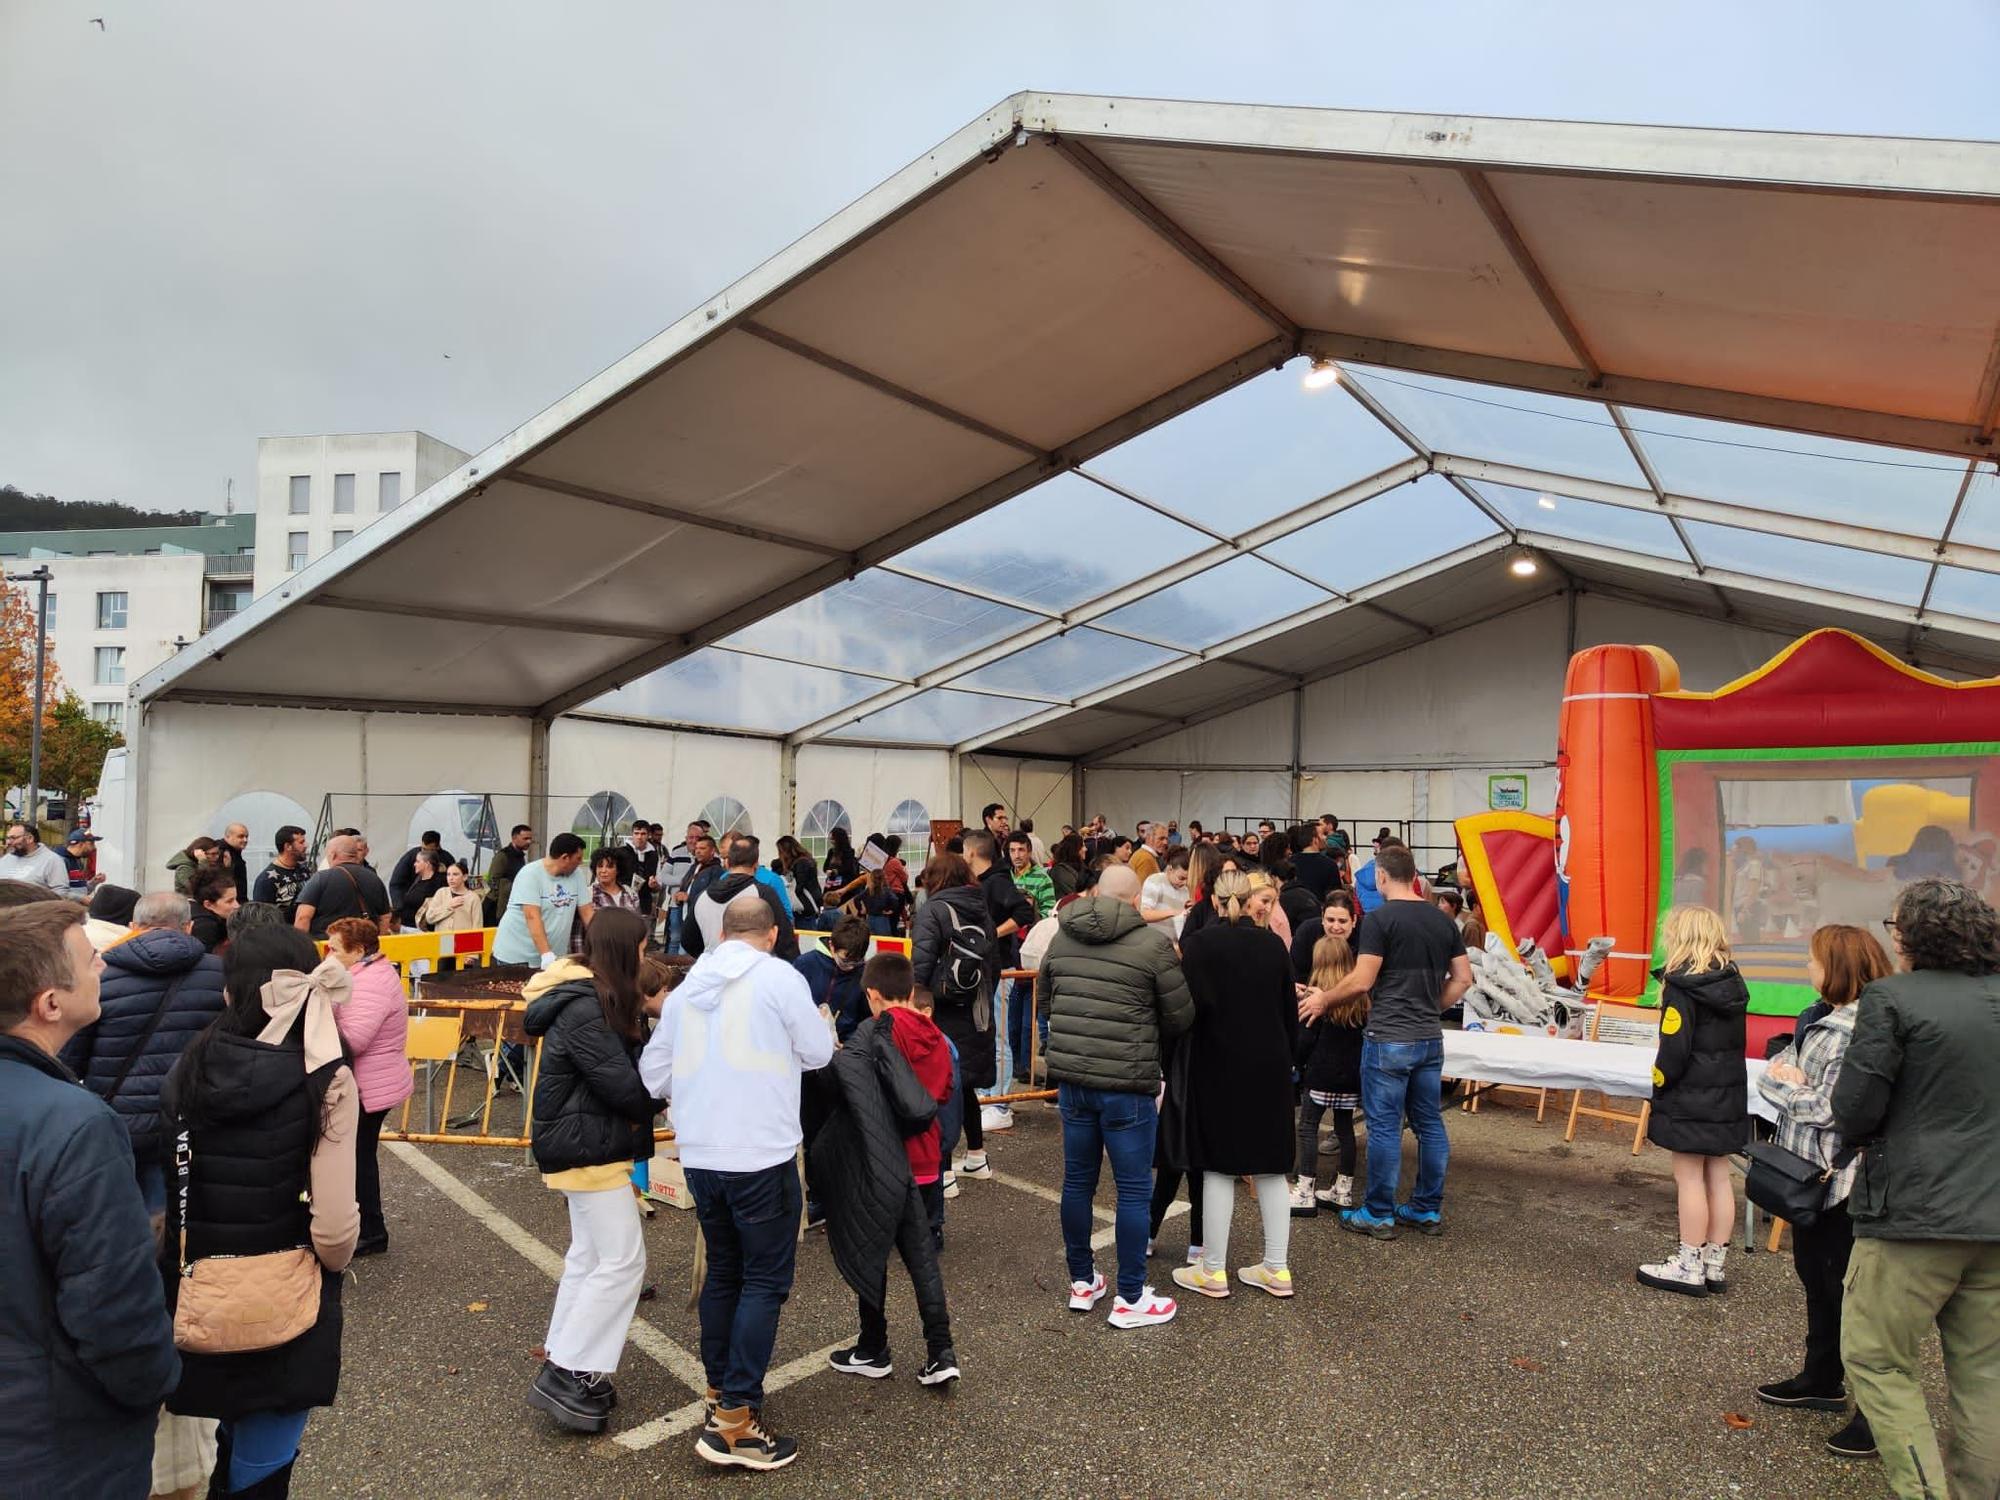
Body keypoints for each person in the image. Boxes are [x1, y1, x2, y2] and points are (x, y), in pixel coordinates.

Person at [161, 927, 360, 1496]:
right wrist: (333, 1263)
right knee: (267, 1457)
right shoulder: (326, 1076)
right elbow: (336, 1225)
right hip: (285, 1290)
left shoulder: (192, 1063)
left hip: (198, 1283)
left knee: (219, 1433)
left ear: (229, 992)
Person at [639, 893, 833, 1471]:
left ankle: (719, 1392)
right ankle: (736, 1423)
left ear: (723, 934)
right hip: (762, 1153)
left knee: (725, 1271)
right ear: (772, 934)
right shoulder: (779, 979)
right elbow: (819, 1052)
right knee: (765, 1281)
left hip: (700, 1153)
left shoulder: (688, 989)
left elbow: (653, 1075)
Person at [0, 900, 182, 1500]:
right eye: (90, 958)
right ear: (50, 1002)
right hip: (55, 1443)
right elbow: (113, 1308)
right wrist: (157, 1381)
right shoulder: (75, 1124)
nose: (105, 965)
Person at [1833, 879, 2000, 1500]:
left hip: (1912, 1216)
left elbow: (1854, 1109)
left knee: (1877, 1361)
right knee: (1985, 1372)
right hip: (1993, 1219)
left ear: (1909, 936)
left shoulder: (1892, 999)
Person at [1752, 924, 1893, 1460]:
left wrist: (1782, 1082)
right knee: (1818, 1279)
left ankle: (1874, 1415)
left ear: (1836, 967)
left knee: (1850, 1295)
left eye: (1812, 960)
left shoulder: (1851, 1033)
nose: (1806, 968)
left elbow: (1831, 1109)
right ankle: (1821, 1377)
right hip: (1817, 1177)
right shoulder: (1825, 1020)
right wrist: (1789, 1076)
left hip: (1838, 1182)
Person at [521, 908, 661, 1435]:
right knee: (624, 1261)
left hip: (584, 1146)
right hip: (587, 1148)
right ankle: (570, 1369)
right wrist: (667, 1090)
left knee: (590, 1256)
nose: (646, 957)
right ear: (626, 950)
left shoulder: (584, 995)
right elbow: (621, 1086)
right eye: (643, 948)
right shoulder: (586, 1006)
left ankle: (570, 1356)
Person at [1038, 863, 1193, 1329]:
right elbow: (1181, 1016)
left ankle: (1083, 1283)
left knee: (1077, 1182)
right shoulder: (1153, 945)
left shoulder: (1061, 938)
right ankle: (1130, 1297)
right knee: (1131, 1190)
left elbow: (1046, 1002)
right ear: (1133, 900)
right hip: (1128, 1083)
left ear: (1095, 894)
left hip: (1072, 1081)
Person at [1300, 844, 1470, 1239]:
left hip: (1389, 1037)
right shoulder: (1443, 920)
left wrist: (1324, 998)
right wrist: (1432, 1005)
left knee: (1384, 1127)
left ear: (1380, 876)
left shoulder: (1379, 920)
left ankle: (1378, 1212)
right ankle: (1426, 1209)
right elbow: (1462, 978)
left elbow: (1362, 980)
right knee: (1429, 1123)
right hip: (1429, 1038)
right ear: (1415, 877)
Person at [816, 951, 960, 1387]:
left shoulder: (873, 1032)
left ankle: (873, 1346)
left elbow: (843, 1087)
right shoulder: (934, 1033)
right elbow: (946, 1090)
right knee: (922, 1262)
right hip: (925, 1161)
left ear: (874, 994)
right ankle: (941, 1351)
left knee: (869, 1250)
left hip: (880, 1162)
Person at [1171, 869, 1299, 1301]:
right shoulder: (1273, 946)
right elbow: (1288, 1012)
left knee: (1217, 1165)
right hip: (1271, 1062)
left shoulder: (1198, 946)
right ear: (1248, 902)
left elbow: (1184, 1012)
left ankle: (1212, 1270)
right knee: (1270, 1164)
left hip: (1217, 1061)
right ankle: (1277, 1268)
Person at [59, 889, 227, 1211]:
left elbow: (72, 1058)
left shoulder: (101, 975)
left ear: (133, 926)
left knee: (119, 1207)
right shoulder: (219, 975)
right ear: (189, 927)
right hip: (191, 1112)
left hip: (117, 1115)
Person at [1634, 906, 1749, 1296]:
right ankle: (1714, 1263)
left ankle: (1688, 1263)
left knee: (1688, 1178)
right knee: (1718, 1175)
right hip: (1727, 1095)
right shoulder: (1733, 981)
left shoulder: (1683, 986)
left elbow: (1674, 1050)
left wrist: (1660, 1082)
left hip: (1691, 1097)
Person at [325, 918, 413, 1260]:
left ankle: (372, 1232)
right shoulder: (361, 974)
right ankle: (366, 1228)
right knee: (357, 1157)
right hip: (369, 1081)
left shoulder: (369, 982)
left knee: (358, 1159)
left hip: (368, 1085)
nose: (328, 954)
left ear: (359, 950)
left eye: (334, 948)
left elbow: (355, 1040)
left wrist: (322, 1016)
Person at [910, 852, 998, 1179]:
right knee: (967, 1085)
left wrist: (918, 1009)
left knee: (940, 1088)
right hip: (977, 1008)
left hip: (941, 1010)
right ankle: (977, 1156)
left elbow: (920, 966)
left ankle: (943, 1174)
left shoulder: (933, 910)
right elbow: (995, 964)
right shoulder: (981, 908)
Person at [1290, 927, 1362, 1214]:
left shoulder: (1316, 999)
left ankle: (1305, 1188)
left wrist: (1296, 1062)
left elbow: (1305, 1039)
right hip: (1350, 1075)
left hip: (1320, 1073)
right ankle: (1342, 1189)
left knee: (1308, 1127)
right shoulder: (1360, 998)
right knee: (1345, 1129)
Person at [966, 830, 1033, 1134]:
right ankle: (989, 1095)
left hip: (1001, 970)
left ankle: (1000, 1103)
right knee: (987, 1034)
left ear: (971, 854)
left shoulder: (997, 881)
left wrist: (992, 933)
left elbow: (1024, 911)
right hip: (987, 971)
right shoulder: (986, 881)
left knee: (998, 1037)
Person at [687, 837, 799, 962]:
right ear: (756, 865)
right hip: (753, 969)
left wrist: (713, 953)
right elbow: (785, 939)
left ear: (728, 862)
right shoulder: (763, 893)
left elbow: (688, 941)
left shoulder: (702, 897)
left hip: (714, 968)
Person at [492, 833, 588, 968]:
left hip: (556, 957)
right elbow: (532, 916)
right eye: (578, 858)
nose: (581, 862)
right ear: (565, 858)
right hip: (517, 957)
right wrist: (546, 954)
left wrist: (603, 946)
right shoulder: (530, 874)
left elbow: (587, 912)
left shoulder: (577, 875)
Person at [292, 834, 395, 939]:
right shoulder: (374, 878)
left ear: (333, 855)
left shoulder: (321, 878)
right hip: (363, 947)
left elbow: (303, 917)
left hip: (329, 946)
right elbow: (385, 917)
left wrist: (301, 947)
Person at [794, 912, 871, 1043]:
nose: (851, 967)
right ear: (831, 946)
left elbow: (866, 1019)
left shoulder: (864, 973)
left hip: (845, 1044)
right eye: (844, 961)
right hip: (806, 1040)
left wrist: (853, 1045)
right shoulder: (805, 964)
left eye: (856, 962)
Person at [578, 848, 640, 951]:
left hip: (626, 954)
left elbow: (638, 928)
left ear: (618, 870)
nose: (603, 871)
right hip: (596, 954)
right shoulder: (587, 895)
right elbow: (579, 933)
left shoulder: (631, 894)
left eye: (609, 866)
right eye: (600, 866)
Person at [253, 826, 312, 926]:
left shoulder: (304, 870)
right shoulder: (266, 880)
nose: (306, 846)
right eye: (301, 842)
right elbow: (261, 919)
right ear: (288, 846)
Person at [2, 820, 76, 893]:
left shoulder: (52, 860)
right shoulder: (6, 859)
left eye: (13, 838)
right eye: (8, 838)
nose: (8, 842)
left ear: (30, 838)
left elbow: (60, 891)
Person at [484, 824, 535, 926]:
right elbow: (492, 880)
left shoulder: (519, 856)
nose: (529, 842)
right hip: (496, 906)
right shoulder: (502, 856)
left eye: (530, 839)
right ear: (514, 838)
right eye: (525, 838)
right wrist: (504, 891)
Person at [420, 861, 485, 937]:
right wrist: (449, 906)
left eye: (455, 874)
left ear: (464, 877)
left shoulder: (473, 898)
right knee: (446, 948)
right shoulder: (441, 893)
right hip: (444, 939)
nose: (451, 878)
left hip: (464, 940)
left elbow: (477, 926)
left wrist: (473, 944)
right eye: (448, 874)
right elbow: (429, 918)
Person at [1138, 846, 1191, 935]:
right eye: (1181, 878)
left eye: (1187, 879)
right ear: (1170, 869)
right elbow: (1143, 914)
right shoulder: (1155, 881)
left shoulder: (1185, 890)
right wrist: (1173, 912)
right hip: (1154, 940)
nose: (1184, 883)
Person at [189, 864, 241, 952]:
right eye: (229, 901)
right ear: (208, 904)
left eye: (236, 899)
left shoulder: (191, 910)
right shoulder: (205, 927)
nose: (237, 905)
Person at [395, 848, 448, 931]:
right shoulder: (418, 880)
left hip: (421, 930)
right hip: (407, 927)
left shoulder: (439, 882)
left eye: (418, 861)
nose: (414, 864)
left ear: (427, 864)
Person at [773, 835, 822, 924]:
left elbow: (799, 886)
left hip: (805, 905)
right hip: (809, 901)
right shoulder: (805, 861)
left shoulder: (801, 863)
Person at [1007, 830, 1054, 918]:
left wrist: (1031, 913)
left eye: (1021, 850)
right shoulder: (1005, 876)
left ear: (1029, 852)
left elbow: (1049, 913)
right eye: (1012, 850)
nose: (1016, 855)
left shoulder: (1043, 879)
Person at [1291, 822, 1340, 900]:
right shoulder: (1330, 865)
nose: (1326, 837)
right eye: (1323, 834)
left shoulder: (1289, 862)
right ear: (1315, 840)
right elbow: (1335, 896)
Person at [218, 822, 252, 905]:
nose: (245, 840)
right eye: (240, 836)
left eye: (246, 837)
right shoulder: (221, 853)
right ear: (228, 837)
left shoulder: (235, 853)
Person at [1048, 833, 1088, 901]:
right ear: (1075, 849)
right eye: (1083, 846)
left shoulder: (1080, 868)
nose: (1086, 849)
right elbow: (1077, 896)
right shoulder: (1060, 872)